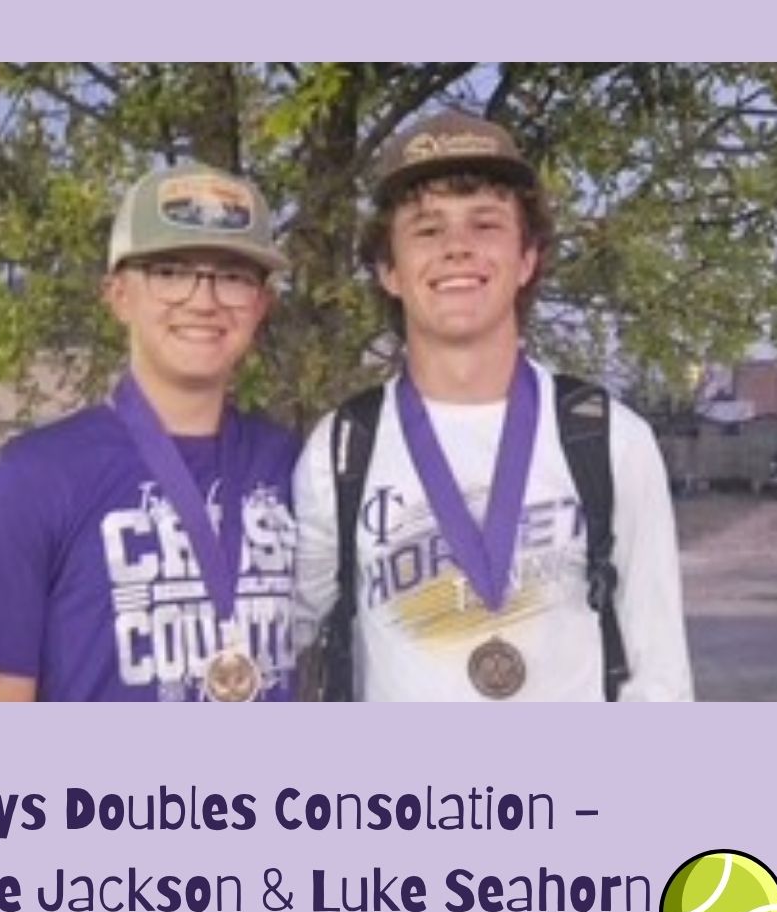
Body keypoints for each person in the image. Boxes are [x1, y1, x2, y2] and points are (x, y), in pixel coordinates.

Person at [294, 112, 693, 701]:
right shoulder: (342, 447)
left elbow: (660, 679)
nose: (458, 248)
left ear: (527, 258)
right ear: (389, 271)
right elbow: (278, 632)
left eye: (485, 225)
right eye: (427, 231)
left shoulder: (609, 439)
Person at [0, 162, 298, 700]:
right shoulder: (30, 478)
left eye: (232, 276)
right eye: (170, 271)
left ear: (261, 304)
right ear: (118, 295)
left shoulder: (296, 466)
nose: (203, 300)